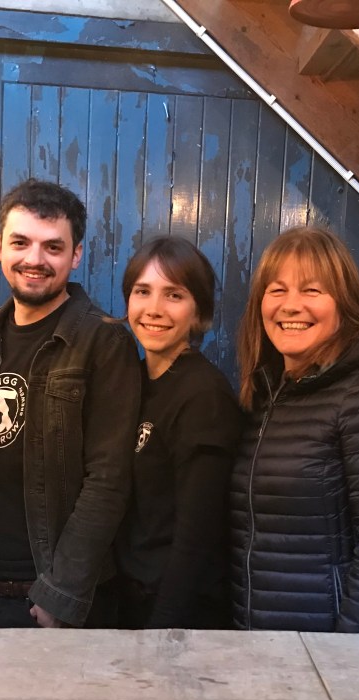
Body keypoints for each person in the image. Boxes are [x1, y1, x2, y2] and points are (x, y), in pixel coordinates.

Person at [0, 179, 141, 628]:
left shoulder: (103, 341)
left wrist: (62, 594)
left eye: (53, 247)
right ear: (0, 247)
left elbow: (109, 480)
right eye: (21, 242)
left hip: (52, 595)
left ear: (75, 256)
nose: (34, 260)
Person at [229, 227, 359, 633]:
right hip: (266, 637)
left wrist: (345, 655)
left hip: (325, 651)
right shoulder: (273, 392)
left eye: (312, 291)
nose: (291, 306)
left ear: (345, 303)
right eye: (277, 290)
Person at [113, 236, 242, 629]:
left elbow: (196, 536)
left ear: (198, 312)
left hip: (177, 610)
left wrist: (162, 630)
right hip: (129, 595)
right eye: (143, 291)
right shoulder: (133, 380)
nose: (153, 309)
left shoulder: (203, 396)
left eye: (174, 295)